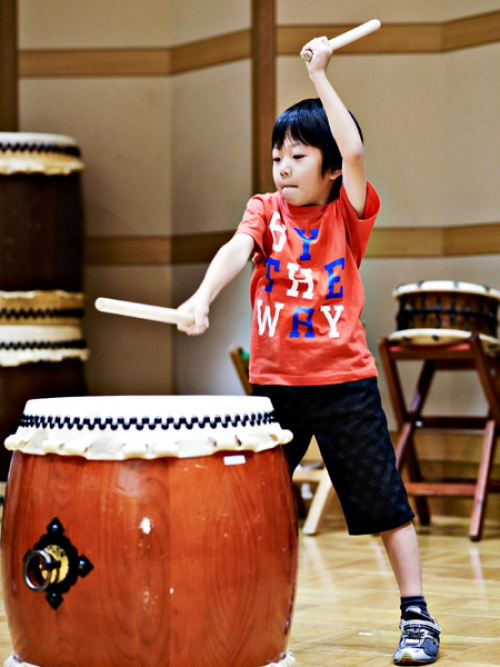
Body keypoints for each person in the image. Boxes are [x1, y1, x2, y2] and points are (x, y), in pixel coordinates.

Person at [177, 36, 441, 665]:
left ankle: (416, 616)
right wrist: (203, 296)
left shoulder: (348, 217)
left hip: (346, 386)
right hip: (274, 391)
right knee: (253, 509)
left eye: (298, 156)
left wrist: (320, 75)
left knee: (385, 505)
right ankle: (237, 610)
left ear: (328, 169)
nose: (284, 168)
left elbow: (354, 147)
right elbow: (235, 251)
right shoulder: (265, 210)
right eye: (277, 157)